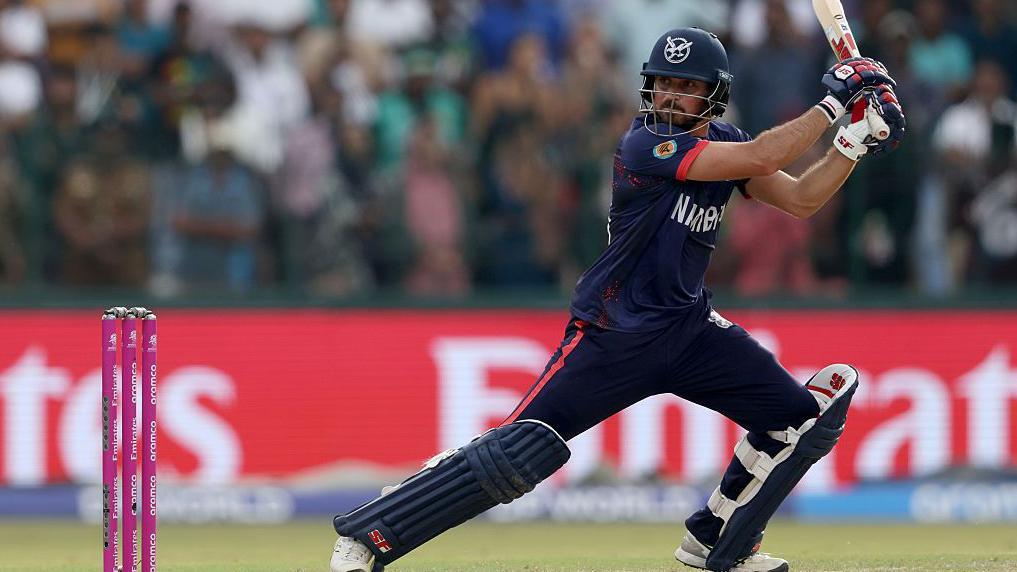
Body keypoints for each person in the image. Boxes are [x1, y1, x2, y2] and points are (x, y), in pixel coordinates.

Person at [328, 27, 905, 572]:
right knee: (516, 454)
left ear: (715, 95)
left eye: (688, 86)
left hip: (690, 330)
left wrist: (852, 142)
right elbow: (762, 158)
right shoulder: (645, 144)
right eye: (665, 84)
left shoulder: (725, 141)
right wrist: (835, 103)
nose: (673, 96)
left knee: (801, 421)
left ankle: (718, 540)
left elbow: (802, 199)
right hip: (613, 334)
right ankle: (367, 534)